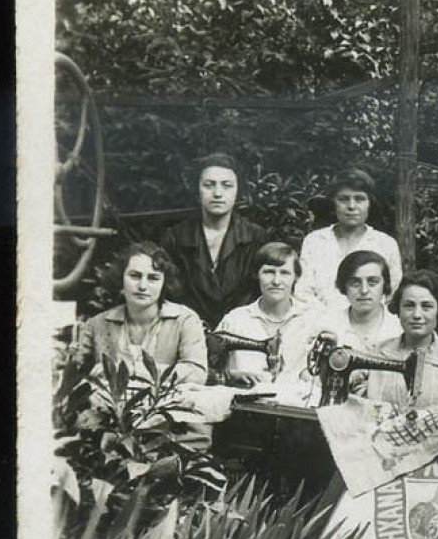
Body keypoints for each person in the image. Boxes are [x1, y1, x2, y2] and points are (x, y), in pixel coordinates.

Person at [156, 153, 269, 329]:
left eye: (226, 186)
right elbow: (167, 296)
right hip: (187, 333)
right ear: (198, 191)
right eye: (209, 185)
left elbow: (262, 296)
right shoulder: (176, 238)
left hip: (242, 333)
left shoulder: (256, 238)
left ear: (237, 191)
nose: (217, 193)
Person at [73, 241, 207, 388]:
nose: (142, 286)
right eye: (135, 276)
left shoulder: (185, 320)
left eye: (153, 278)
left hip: (167, 405)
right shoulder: (97, 324)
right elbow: (74, 372)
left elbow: (197, 374)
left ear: (164, 283)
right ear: (120, 279)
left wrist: (132, 370)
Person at [362, 270, 438, 419]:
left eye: (426, 306)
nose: (417, 315)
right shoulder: (377, 352)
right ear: (398, 309)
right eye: (409, 306)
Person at [213, 241, 321, 393]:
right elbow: (209, 369)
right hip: (244, 409)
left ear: (296, 277)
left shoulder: (314, 320)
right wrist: (229, 376)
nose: (276, 281)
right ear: (257, 274)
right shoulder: (235, 320)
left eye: (284, 273)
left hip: (298, 410)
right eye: (269, 272)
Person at [297, 168, 404, 312]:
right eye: (343, 199)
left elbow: (392, 295)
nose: (351, 206)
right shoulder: (315, 241)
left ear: (369, 203)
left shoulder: (385, 244)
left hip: (371, 327)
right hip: (320, 325)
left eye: (359, 199)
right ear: (334, 204)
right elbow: (303, 293)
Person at [318, 250, 403, 354]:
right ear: (344, 286)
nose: (364, 290)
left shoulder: (399, 326)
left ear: (385, 285)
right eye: (355, 283)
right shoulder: (329, 326)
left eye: (372, 282)